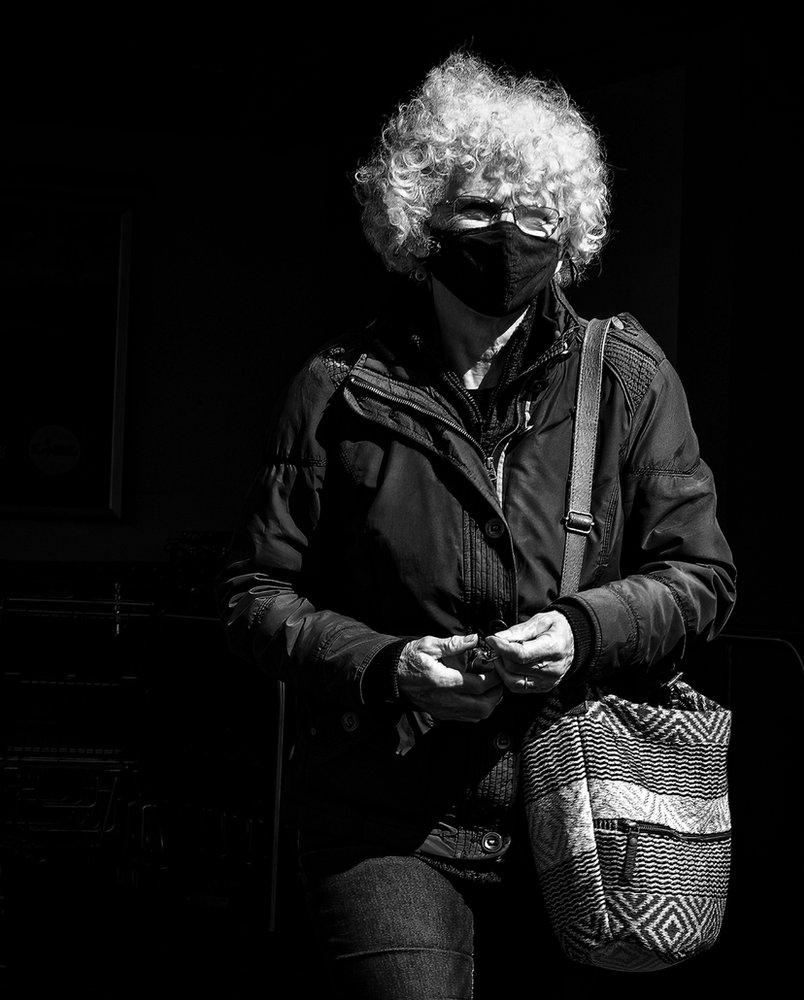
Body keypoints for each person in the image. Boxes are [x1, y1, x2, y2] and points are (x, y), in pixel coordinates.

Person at [214, 51, 736, 998]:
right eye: (480, 209)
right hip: (387, 817)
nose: (510, 237)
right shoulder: (338, 390)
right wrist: (386, 666)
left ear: (568, 229)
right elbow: (255, 596)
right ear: (418, 222)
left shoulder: (626, 377)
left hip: (582, 812)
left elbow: (701, 578)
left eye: (536, 214)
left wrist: (582, 632)